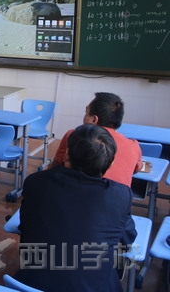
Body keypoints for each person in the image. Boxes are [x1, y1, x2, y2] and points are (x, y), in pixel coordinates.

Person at [15, 123, 137, 292]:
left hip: (29, 284)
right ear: (109, 165)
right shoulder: (120, 195)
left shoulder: (35, 182)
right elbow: (127, 239)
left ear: (66, 155)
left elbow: (25, 226)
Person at [49, 92, 142, 187]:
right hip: (115, 195)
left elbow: (54, 167)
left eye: (86, 112)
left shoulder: (74, 136)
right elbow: (137, 168)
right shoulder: (133, 146)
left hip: (72, 192)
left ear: (94, 120)